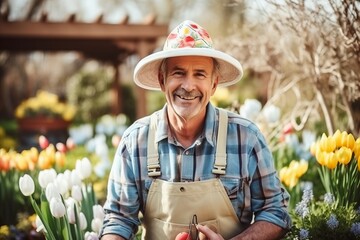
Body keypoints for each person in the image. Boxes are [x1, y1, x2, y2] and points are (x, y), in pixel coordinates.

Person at [99, 20, 291, 240]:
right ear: (162, 81)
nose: (188, 86)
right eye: (178, 73)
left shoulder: (245, 137)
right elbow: (119, 219)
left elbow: (276, 211)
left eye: (199, 74)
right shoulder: (136, 141)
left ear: (214, 84)